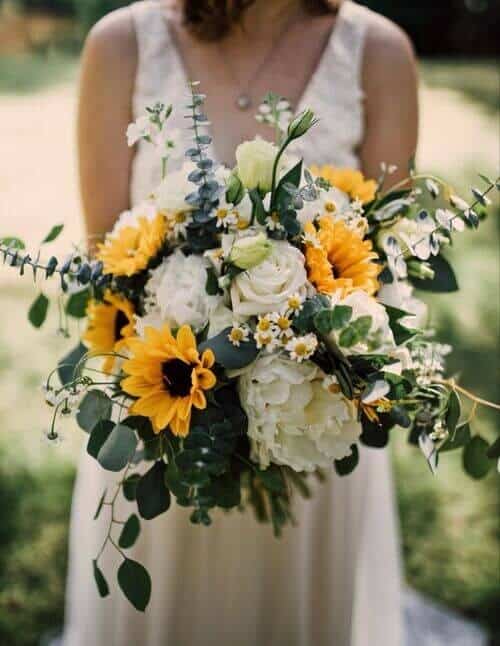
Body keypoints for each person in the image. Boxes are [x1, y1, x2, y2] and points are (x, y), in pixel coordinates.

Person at [64, 1, 418, 644]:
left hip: (315, 424)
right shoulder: (120, 45)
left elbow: (380, 267)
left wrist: (304, 362)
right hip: (158, 427)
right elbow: (107, 269)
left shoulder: (380, 52)